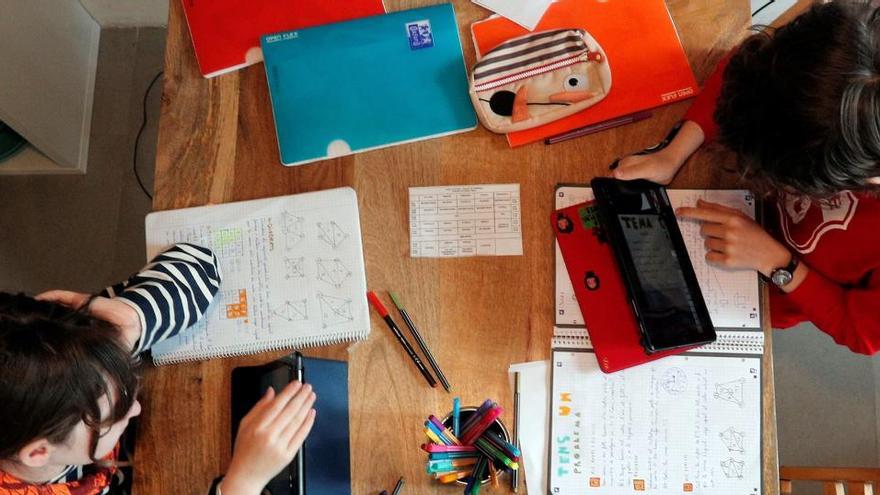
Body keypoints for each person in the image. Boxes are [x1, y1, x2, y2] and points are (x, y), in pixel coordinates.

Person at [612, 1, 880, 354]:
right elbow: (745, 72)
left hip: (762, 292)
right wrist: (673, 152)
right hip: (729, 214)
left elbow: (859, 331)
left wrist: (777, 263)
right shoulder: (849, 50)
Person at [0, 243, 315, 495]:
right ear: (38, 453)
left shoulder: (65, 351)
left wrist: (134, 319)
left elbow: (198, 262)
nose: (135, 407)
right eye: (115, 413)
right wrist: (242, 483)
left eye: (125, 381)